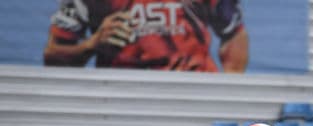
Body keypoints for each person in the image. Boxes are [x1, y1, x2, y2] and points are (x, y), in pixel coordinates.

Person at [44, 0, 249, 72]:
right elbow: (53, 56)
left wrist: (228, 93)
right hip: (123, 101)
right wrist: (91, 44)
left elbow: (234, 35)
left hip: (195, 96)